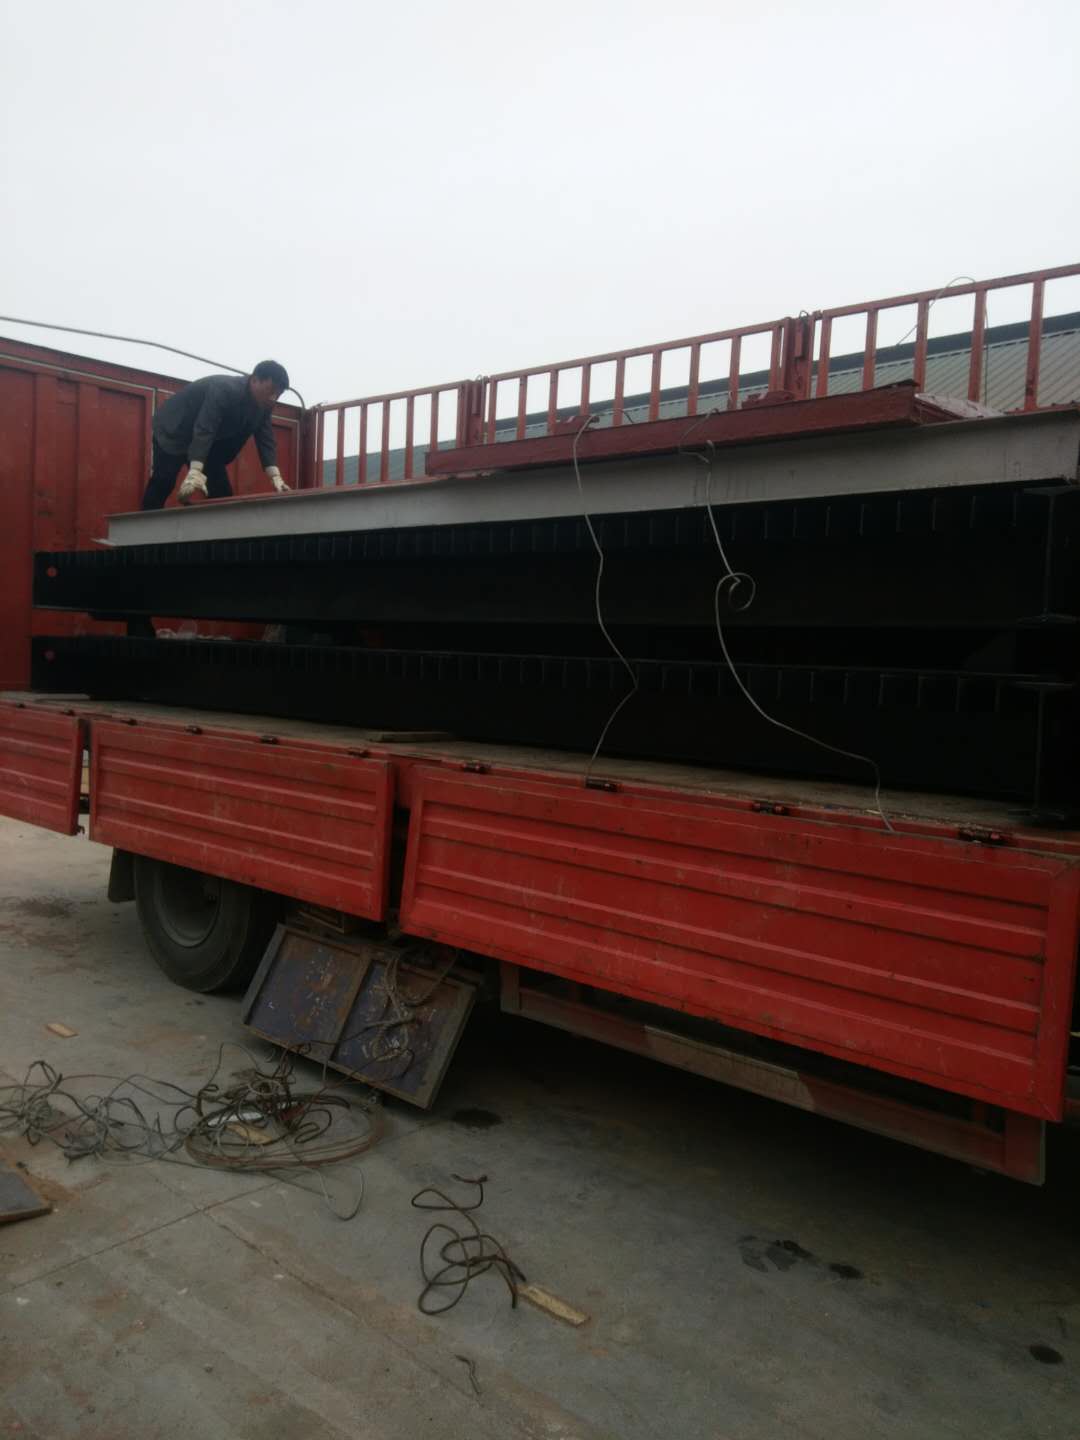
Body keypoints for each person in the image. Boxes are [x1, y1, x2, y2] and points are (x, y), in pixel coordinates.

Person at [141, 360, 292, 509]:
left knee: (222, 493)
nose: (273, 398)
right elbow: (206, 425)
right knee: (164, 480)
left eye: (278, 394)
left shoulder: (264, 404)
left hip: (208, 440)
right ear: (254, 380)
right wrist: (195, 470)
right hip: (175, 429)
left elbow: (265, 438)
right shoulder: (225, 388)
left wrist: (275, 476)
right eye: (270, 390)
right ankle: (146, 521)